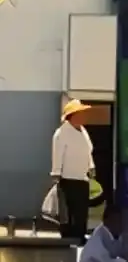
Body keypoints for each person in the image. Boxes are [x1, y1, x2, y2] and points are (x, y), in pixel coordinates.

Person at [51, 99, 95, 242]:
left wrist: (91, 166)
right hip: (67, 179)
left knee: (81, 210)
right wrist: (56, 173)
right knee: (69, 211)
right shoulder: (61, 133)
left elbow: (88, 151)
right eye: (81, 113)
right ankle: (68, 238)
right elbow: (57, 154)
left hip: (82, 178)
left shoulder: (83, 131)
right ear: (73, 115)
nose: (84, 116)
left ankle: (79, 236)